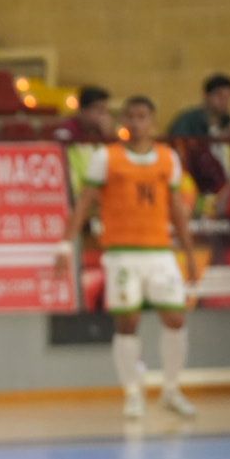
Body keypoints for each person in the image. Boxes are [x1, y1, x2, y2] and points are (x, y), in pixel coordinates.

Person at [55, 96, 199, 421]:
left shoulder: (167, 159)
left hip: (159, 252)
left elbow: (176, 208)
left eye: (143, 116)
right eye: (130, 117)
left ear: (153, 122)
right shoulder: (107, 158)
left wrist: (188, 252)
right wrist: (65, 245)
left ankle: (171, 390)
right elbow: (84, 203)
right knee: (127, 323)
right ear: (123, 122)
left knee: (176, 318)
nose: (136, 123)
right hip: (121, 254)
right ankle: (133, 393)